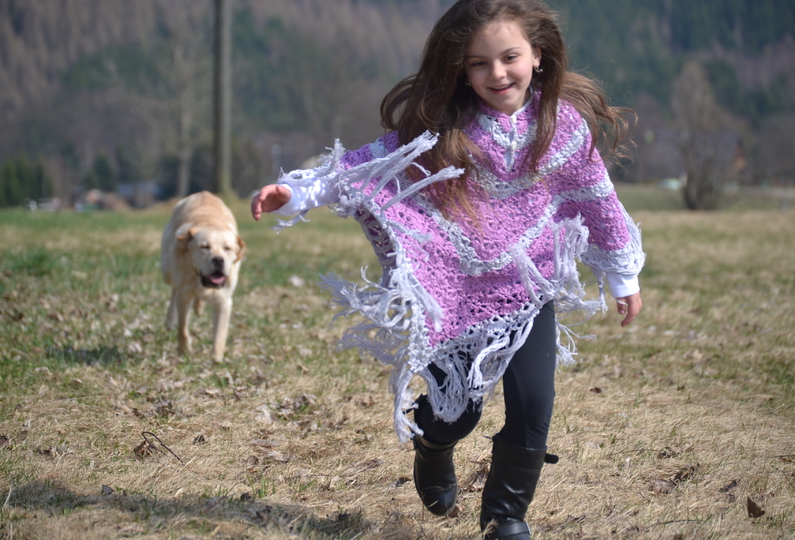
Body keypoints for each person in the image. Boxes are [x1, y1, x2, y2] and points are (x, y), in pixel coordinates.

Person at [251, 1, 644, 538]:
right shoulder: (444, 128)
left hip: (529, 289)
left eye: (510, 57)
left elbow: (598, 198)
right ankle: (431, 446)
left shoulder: (563, 128)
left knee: (533, 407)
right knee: (457, 413)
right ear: (460, 67)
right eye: (479, 63)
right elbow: (369, 165)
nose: (497, 73)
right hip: (455, 295)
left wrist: (623, 275)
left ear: (539, 57)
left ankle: (507, 518)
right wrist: (299, 190)